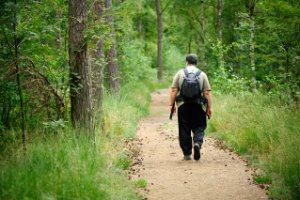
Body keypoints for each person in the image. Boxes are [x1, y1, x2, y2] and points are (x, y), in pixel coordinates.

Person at [170, 54, 212, 161]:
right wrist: (209, 108)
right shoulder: (202, 74)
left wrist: (172, 105)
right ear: (196, 62)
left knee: (184, 128)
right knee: (199, 126)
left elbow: (174, 90)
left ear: (186, 62)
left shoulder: (180, 73)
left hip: (183, 105)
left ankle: (187, 154)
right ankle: (197, 143)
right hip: (198, 106)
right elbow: (206, 93)